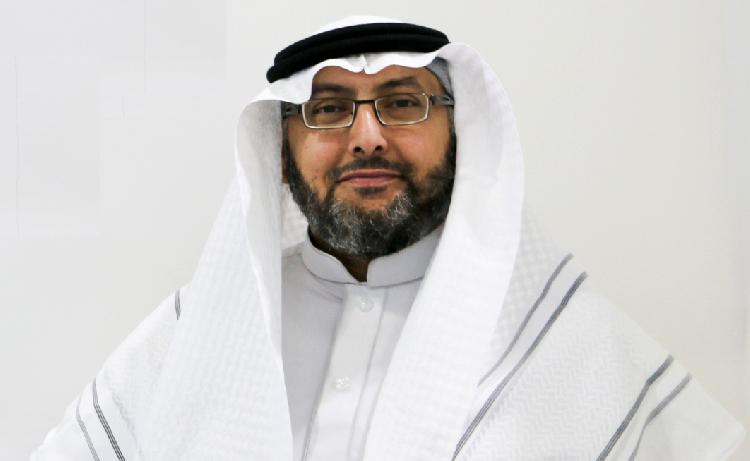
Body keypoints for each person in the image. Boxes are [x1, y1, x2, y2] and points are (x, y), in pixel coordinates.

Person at [32, 16, 744, 461]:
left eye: (403, 102)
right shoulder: (202, 336)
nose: (367, 136)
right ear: (279, 148)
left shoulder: (565, 344)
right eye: (328, 108)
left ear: (459, 132)